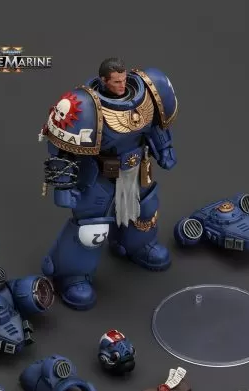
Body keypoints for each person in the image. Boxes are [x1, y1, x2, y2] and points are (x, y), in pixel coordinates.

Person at [39, 57, 178, 310]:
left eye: (124, 80)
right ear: (103, 81)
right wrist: (63, 187)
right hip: (99, 177)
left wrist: (165, 149)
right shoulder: (84, 106)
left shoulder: (147, 92)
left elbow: (155, 128)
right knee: (91, 230)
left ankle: (137, 245)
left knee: (145, 208)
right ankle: (72, 274)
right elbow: (64, 152)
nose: (122, 85)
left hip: (136, 169)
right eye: (116, 82)